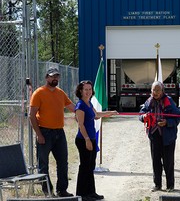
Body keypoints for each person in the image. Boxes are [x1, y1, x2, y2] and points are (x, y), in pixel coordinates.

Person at [29, 67, 75, 197]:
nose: (55, 78)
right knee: (43, 164)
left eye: (57, 76)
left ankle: (62, 190)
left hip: (59, 133)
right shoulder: (39, 93)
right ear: (47, 78)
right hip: (45, 132)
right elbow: (32, 116)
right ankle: (48, 191)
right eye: (52, 76)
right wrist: (39, 134)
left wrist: (88, 111)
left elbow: (73, 107)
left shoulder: (61, 93)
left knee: (63, 162)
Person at [74, 80, 118, 201]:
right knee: (85, 167)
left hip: (92, 138)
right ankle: (82, 194)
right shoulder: (80, 105)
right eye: (85, 89)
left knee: (90, 166)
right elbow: (81, 125)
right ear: (80, 91)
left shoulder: (89, 104)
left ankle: (91, 192)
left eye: (90, 89)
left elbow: (96, 114)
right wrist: (87, 139)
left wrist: (109, 113)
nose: (88, 91)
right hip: (84, 140)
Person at [139, 81, 180, 192]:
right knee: (156, 161)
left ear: (162, 91)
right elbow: (141, 114)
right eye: (154, 90)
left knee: (168, 161)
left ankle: (170, 186)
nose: (155, 92)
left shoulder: (169, 101)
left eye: (158, 90)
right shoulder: (149, 102)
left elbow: (178, 115)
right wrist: (144, 116)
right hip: (154, 135)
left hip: (168, 136)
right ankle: (157, 185)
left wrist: (167, 122)